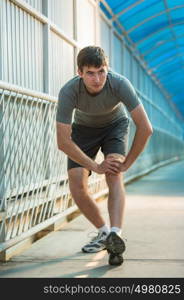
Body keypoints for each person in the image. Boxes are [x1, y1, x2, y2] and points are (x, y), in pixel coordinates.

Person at [56, 46, 153, 266]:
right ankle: (104, 233)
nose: (97, 78)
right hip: (83, 130)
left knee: (114, 173)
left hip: (114, 126)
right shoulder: (69, 91)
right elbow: (62, 141)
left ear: (107, 69)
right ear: (79, 72)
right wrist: (94, 166)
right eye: (90, 73)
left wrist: (126, 163)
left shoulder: (119, 83)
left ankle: (116, 234)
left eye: (101, 71)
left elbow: (145, 128)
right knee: (76, 184)